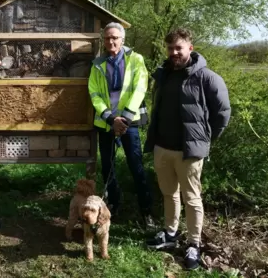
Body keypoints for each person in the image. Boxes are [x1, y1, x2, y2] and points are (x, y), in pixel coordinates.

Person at [144, 28, 231, 270]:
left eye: (178, 48)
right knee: (169, 194)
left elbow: (222, 113)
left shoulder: (207, 78)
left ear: (190, 48)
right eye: (170, 48)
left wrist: (205, 139)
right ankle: (170, 234)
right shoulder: (163, 75)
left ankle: (193, 243)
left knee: (192, 199)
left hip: (189, 152)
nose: (174, 53)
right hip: (162, 147)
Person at [88, 22, 153, 227]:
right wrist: (110, 118)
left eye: (115, 37)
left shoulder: (135, 59)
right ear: (103, 40)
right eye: (107, 38)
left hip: (128, 123)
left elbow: (140, 88)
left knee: (136, 166)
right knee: (107, 167)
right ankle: (114, 204)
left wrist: (123, 118)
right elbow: (94, 93)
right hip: (106, 123)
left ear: (122, 39)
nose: (111, 41)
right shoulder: (98, 63)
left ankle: (146, 211)